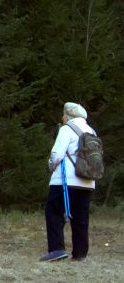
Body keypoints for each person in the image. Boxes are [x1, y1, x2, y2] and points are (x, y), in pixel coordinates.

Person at [41, 102, 97, 263]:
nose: (62, 117)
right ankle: (80, 253)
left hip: (64, 181)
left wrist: (51, 166)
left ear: (68, 115)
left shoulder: (67, 129)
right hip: (87, 181)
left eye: (63, 114)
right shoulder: (91, 131)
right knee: (81, 217)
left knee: (54, 213)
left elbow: (57, 154)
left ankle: (57, 250)